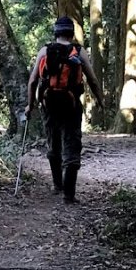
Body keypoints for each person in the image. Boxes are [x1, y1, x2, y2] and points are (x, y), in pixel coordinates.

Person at [24, 15, 104, 203]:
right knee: (72, 143)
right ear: (71, 33)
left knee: (53, 142)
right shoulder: (78, 51)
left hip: (49, 103)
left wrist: (30, 104)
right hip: (71, 104)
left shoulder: (45, 51)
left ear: (56, 32)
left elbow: (33, 80)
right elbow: (92, 79)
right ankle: (69, 194)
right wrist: (100, 101)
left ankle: (56, 185)